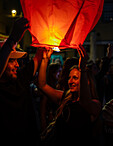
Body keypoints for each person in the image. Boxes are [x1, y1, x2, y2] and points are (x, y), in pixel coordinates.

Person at [38, 44, 101, 146]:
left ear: (87, 82)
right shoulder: (66, 98)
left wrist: (82, 68)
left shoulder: (95, 104)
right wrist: (45, 60)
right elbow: (42, 85)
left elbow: (85, 103)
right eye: (69, 77)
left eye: (75, 78)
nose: (70, 81)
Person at [0, 17, 43, 146]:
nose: (17, 65)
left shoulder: (20, 79)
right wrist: (13, 38)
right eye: (12, 61)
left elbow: (38, 57)